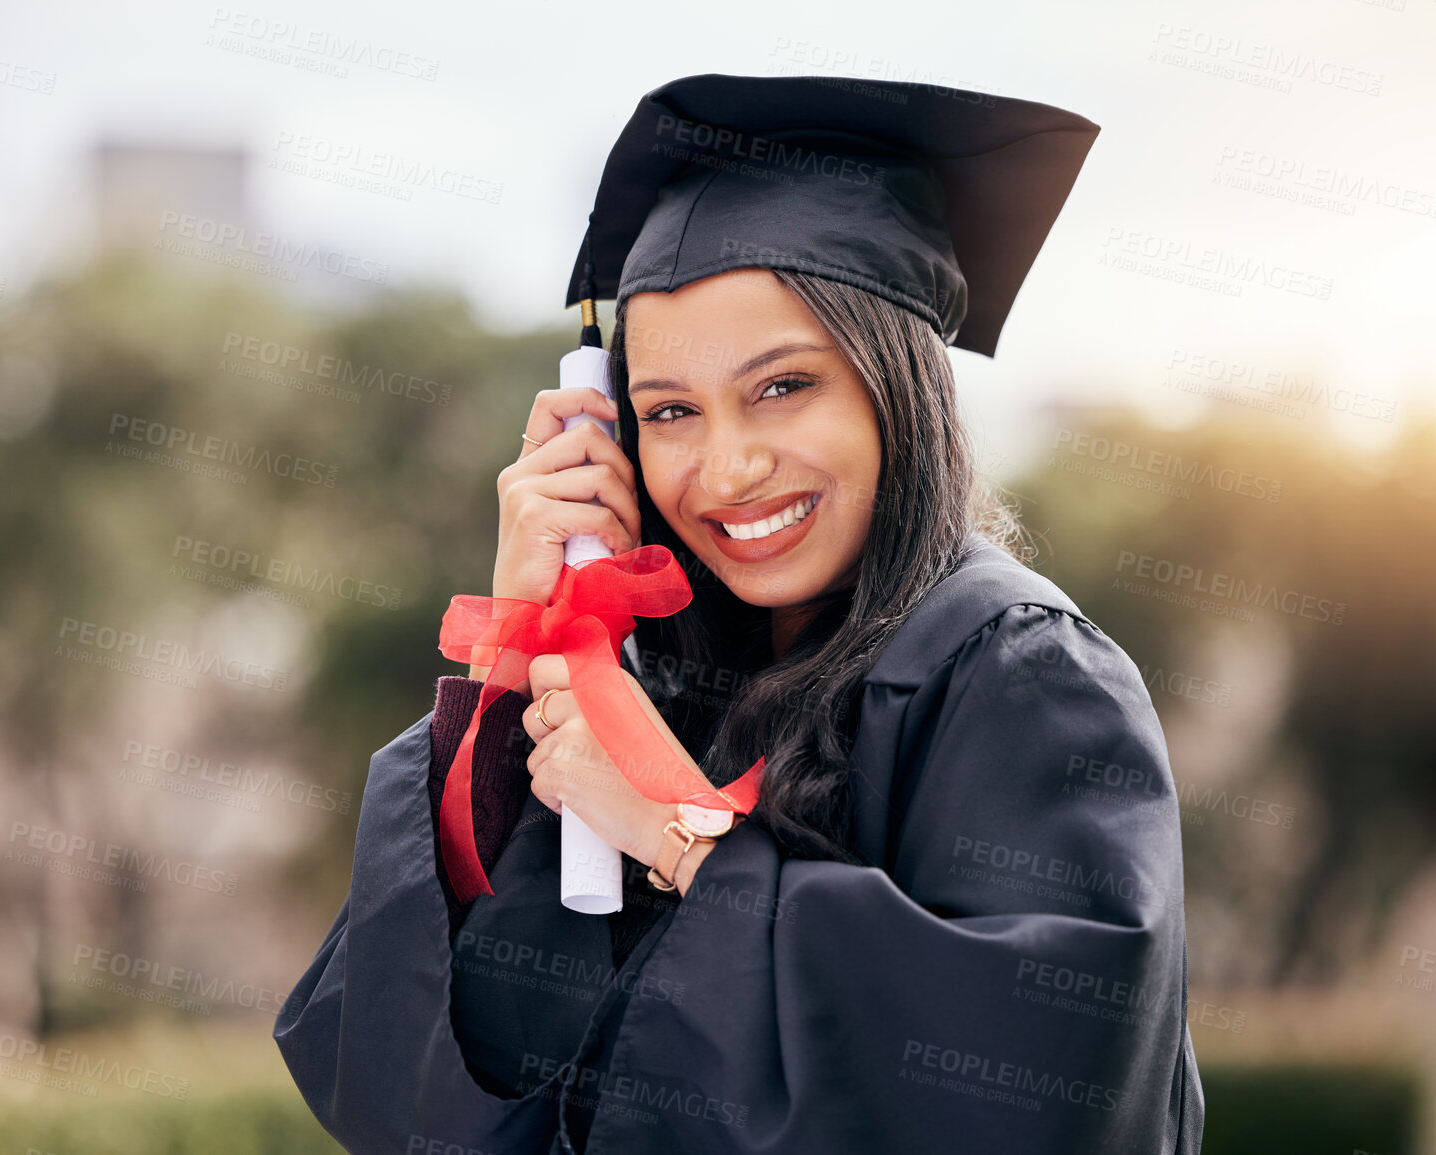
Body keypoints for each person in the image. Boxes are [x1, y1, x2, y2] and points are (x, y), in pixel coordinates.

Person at [275, 73, 1205, 1154]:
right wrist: (531, 633)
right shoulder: (663, 688)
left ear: (894, 385)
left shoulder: (1022, 676)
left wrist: (680, 841)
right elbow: (410, 1091)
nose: (729, 466)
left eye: (782, 387)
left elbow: (1044, 1087)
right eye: (670, 412)